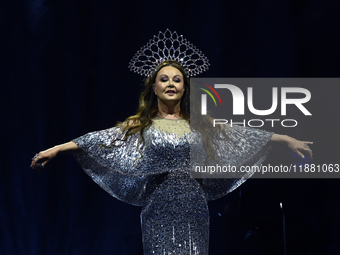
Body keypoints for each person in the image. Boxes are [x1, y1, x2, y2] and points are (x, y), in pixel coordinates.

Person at [30, 30, 313, 255]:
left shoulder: (200, 123)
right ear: (154, 87)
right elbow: (100, 140)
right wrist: (56, 149)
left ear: (184, 88)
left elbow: (240, 133)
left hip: (194, 207)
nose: (170, 84)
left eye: (177, 80)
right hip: (158, 207)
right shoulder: (141, 124)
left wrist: (285, 138)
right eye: (164, 79)